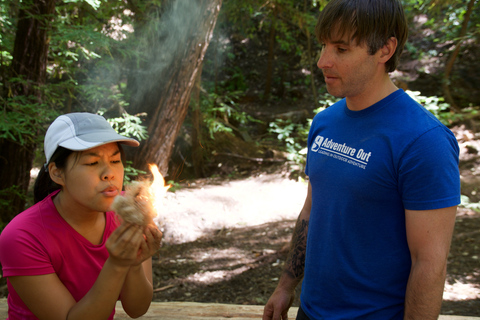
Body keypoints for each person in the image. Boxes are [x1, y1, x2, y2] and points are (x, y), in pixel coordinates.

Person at [263, 0, 460, 319]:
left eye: (341, 49)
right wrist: (286, 285)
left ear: (385, 49)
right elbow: (312, 210)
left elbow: (429, 263)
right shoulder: (324, 122)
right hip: (310, 312)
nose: (322, 61)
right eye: (324, 46)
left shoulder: (424, 141)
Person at [0, 112, 163, 320]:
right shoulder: (22, 236)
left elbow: (137, 308)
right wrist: (117, 264)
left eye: (115, 160)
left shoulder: (129, 212)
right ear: (57, 173)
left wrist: (134, 263)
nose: (109, 173)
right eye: (92, 163)